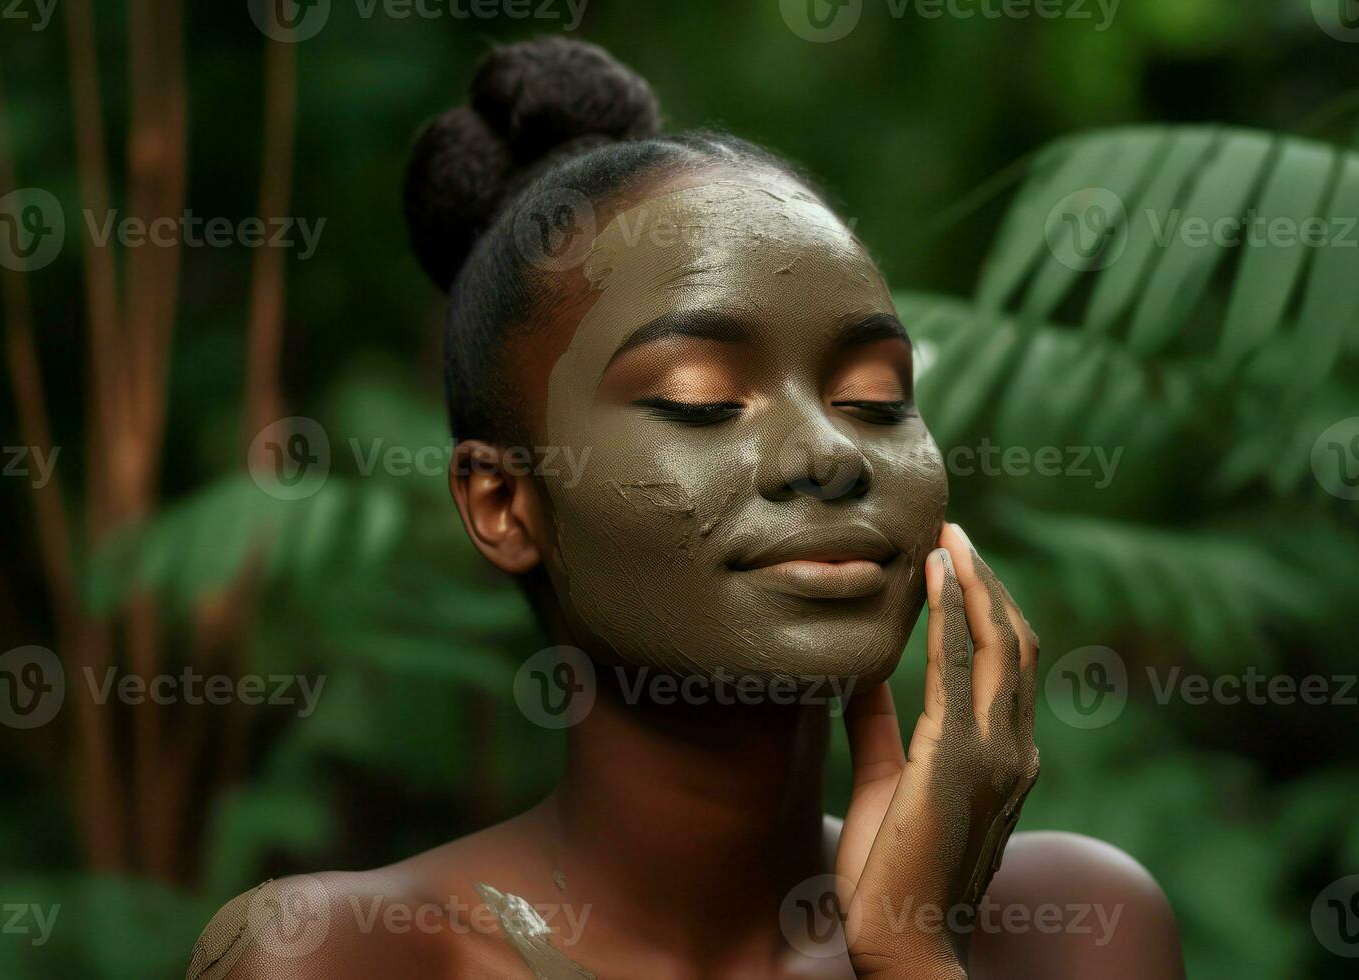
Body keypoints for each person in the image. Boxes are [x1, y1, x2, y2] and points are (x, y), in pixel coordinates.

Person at [188, 37, 1183, 979]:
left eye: (875, 398)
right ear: (504, 500)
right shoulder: (347, 957)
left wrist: (912, 952)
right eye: (705, 398)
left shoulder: (1075, 928)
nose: (833, 452)